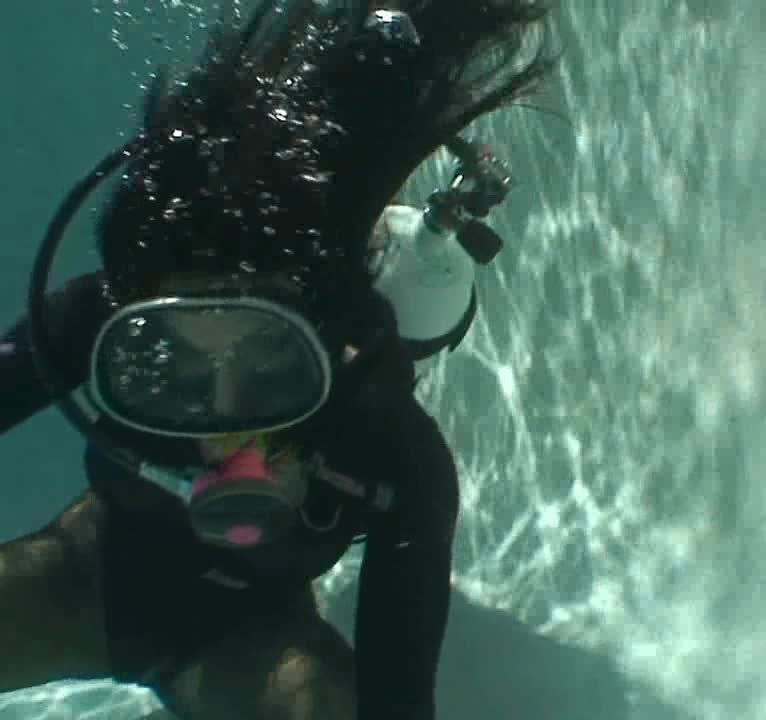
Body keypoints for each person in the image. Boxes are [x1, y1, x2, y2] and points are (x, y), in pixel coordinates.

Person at [0, 1, 555, 718]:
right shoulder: (100, 320)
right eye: (177, 364)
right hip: (79, 576)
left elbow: (398, 700)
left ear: (325, 339)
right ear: (135, 316)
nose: (223, 423)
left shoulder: (394, 449)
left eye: (267, 364)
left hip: (248, 644)